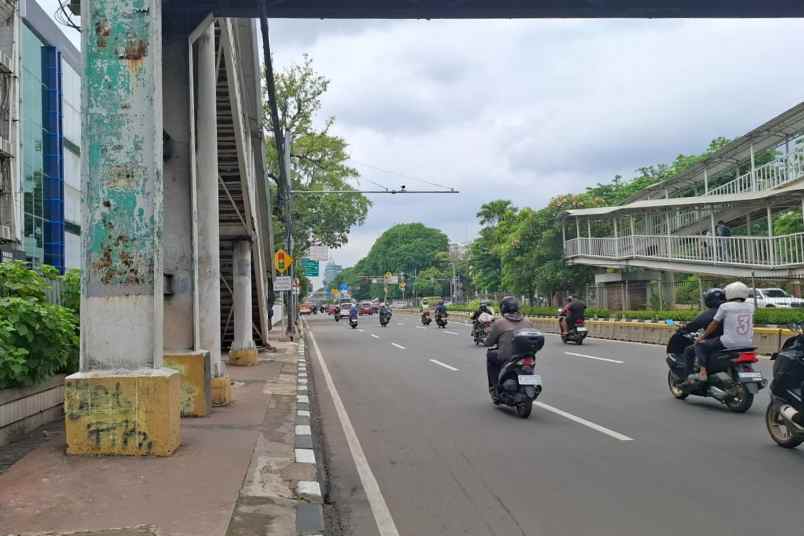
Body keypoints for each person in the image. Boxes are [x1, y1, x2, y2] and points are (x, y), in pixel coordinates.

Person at [692, 281, 754, 382]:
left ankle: (703, 371)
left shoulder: (725, 307)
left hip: (728, 342)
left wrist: (702, 337)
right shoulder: (751, 306)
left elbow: (714, 324)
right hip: (747, 343)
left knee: (700, 345)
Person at [484, 297, 535, 397]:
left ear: (503, 308)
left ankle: (494, 387)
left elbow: (489, 342)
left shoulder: (499, 323)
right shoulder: (528, 322)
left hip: (506, 356)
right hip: (526, 356)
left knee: (490, 355)